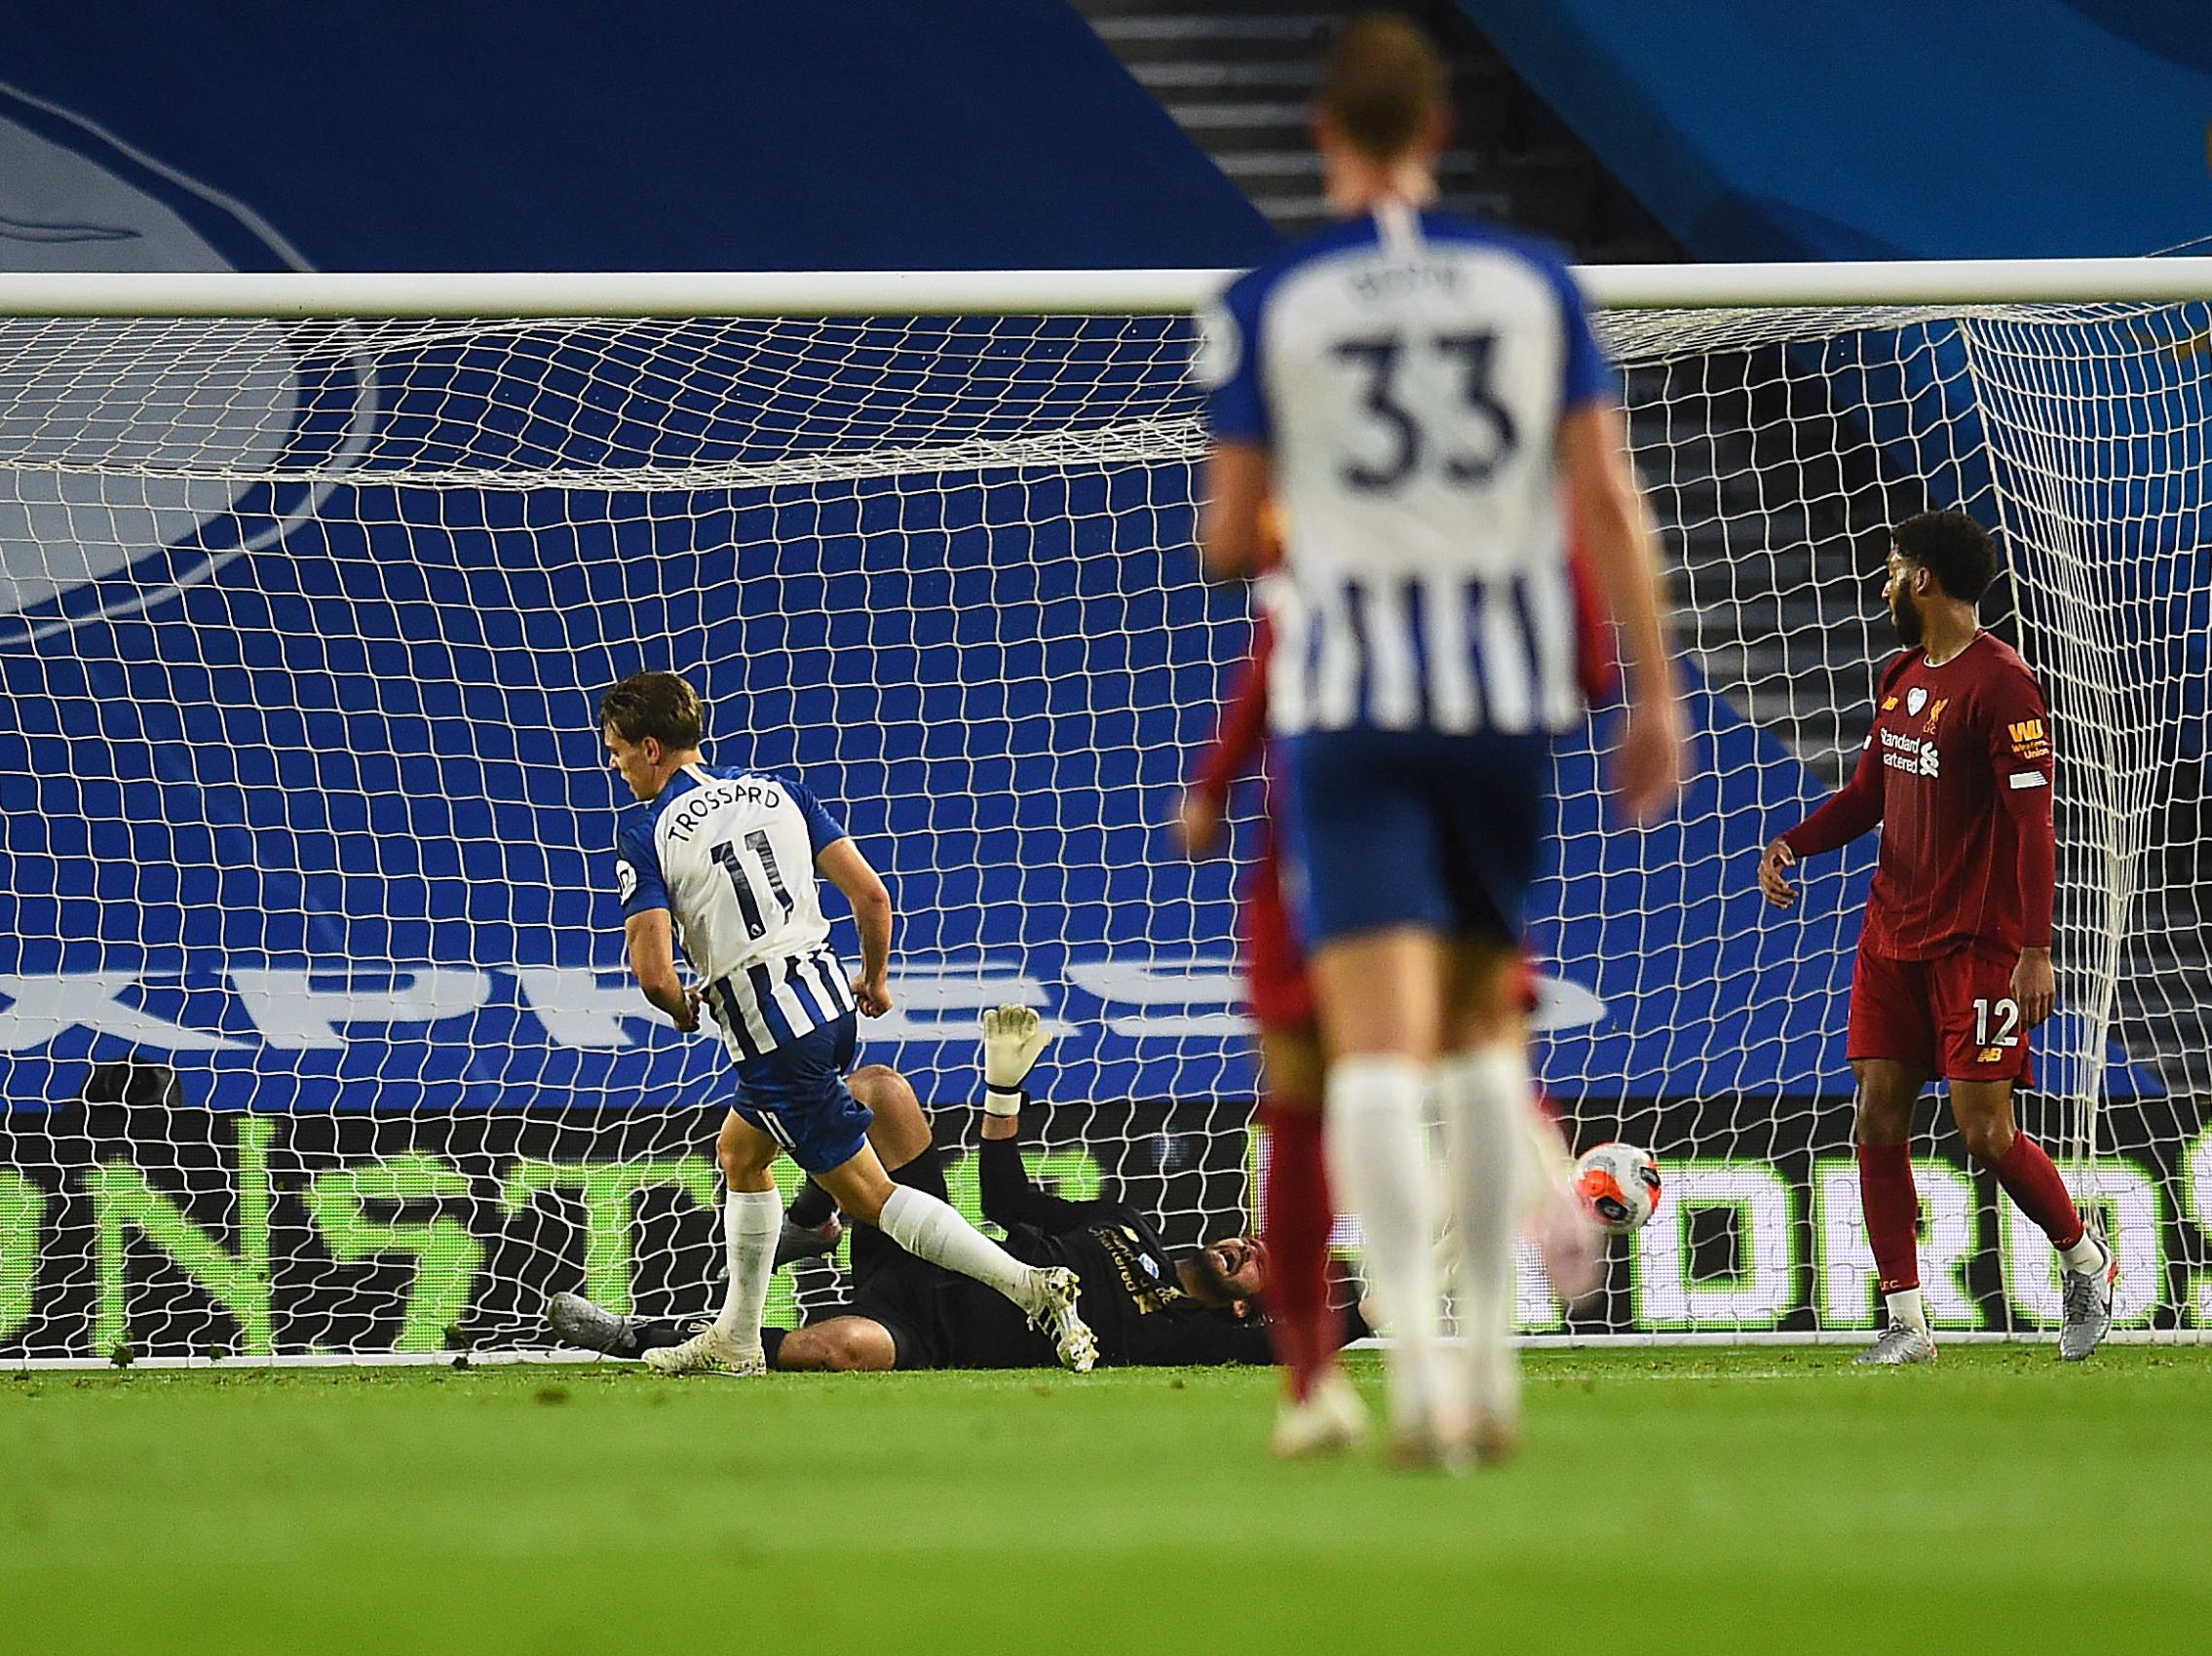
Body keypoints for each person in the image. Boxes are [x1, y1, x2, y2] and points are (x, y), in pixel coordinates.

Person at [1191, 13, 1684, 1466]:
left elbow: (1229, 537)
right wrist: (1655, 694)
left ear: (1323, 135)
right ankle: (1484, 1379)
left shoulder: (1272, 300)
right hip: (1495, 704)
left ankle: (1409, 1373)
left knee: (1379, 1054)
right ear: (1443, 131)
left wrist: (1304, 521)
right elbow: (1606, 500)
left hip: (1348, 713)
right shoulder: (1532, 284)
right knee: (1480, 1031)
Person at [1172, 586, 1602, 1459]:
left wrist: (1216, 781)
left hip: (1339, 772)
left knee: (1325, 1078)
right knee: (1480, 1031)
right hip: (1483, 728)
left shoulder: (1318, 520)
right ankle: (1495, 1334)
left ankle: (1360, 1386)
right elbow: (1583, 606)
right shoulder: (1509, 495)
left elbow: (1254, 592)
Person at [594, 671, 1094, 1375]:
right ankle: (736, 1338)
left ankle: (1028, 1286)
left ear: (649, 748)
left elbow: (653, 974)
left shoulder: (644, 829)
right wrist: (876, 979)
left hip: (777, 1039)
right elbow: (874, 896)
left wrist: (681, 1008)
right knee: (741, 1152)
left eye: (615, 751)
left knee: (872, 1196)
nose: (613, 766)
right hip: (831, 1005)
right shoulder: (779, 792)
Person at [1757, 510, 2115, 1364]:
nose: (1883, 584)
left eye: (1891, 569)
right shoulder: (1901, 673)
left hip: (1978, 949)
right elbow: (1867, 796)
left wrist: (2035, 950)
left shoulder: (2004, 687)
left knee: (1984, 1132)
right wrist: (1792, 841)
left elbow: (2036, 829)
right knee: (1878, 1117)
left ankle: (2086, 1262)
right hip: (1891, 935)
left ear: (1922, 580)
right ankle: (1907, 1323)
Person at [550, 1011, 1338, 1370]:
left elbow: (1331, 1333)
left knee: (841, 1349)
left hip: (933, 1334)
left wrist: (1431, 1268)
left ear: (1245, 1309)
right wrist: (1003, 1093)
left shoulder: (1194, 1337)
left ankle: (635, 1336)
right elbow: (1008, 1203)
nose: (1250, 1244)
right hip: (934, 1246)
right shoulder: (1128, 1227)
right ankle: (808, 1223)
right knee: (882, 1089)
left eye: (1263, 1264)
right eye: (1260, 1239)